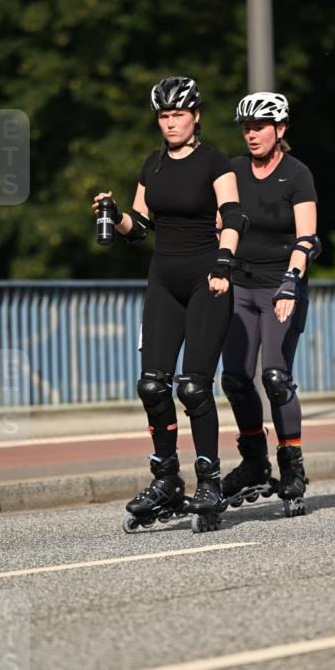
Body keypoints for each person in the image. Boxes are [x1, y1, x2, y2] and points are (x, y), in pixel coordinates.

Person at [92, 76, 247, 528]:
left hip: (207, 280)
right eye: (164, 115)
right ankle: (166, 479)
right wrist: (114, 213)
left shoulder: (215, 161)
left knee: (194, 387)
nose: (171, 122)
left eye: (179, 114)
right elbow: (139, 227)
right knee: (152, 386)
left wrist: (224, 264)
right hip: (163, 280)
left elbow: (235, 215)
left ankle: (210, 482)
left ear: (195, 116)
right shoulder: (152, 164)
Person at [220, 92, 320, 516]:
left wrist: (290, 283)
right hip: (239, 287)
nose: (251, 134)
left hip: (281, 286)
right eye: (246, 127)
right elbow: (219, 227)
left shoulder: (297, 174)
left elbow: (308, 238)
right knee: (236, 379)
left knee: (276, 377)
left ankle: (291, 466)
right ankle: (255, 460)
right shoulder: (234, 171)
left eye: (259, 126)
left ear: (280, 130)